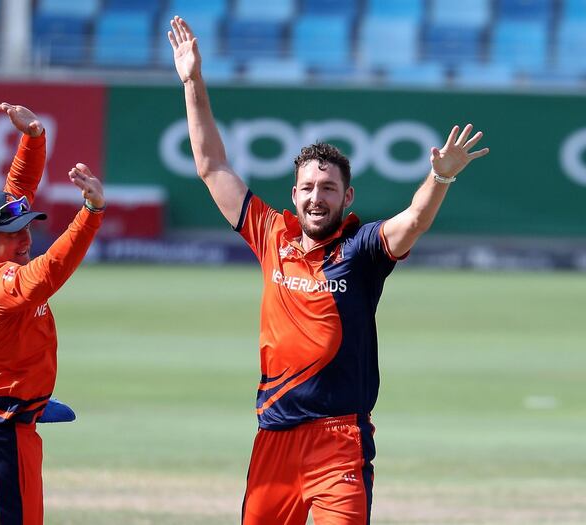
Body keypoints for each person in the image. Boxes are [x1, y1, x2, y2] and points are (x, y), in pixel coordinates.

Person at [167, 16, 489, 525]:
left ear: (347, 197)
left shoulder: (361, 250)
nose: (317, 197)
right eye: (308, 188)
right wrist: (192, 81)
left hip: (339, 440)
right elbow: (211, 165)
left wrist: (437, 177)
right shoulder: (270, 233)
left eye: (329, 188)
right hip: (273, 435)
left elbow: (413, 222)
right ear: (294, 194)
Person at [0, 103, 105, 525]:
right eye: (12, 235)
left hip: (6, 426)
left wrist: (33, 138)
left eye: (27, 230)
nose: (24, 241)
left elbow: (17, 193)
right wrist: (90, 214)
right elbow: (51, 271)